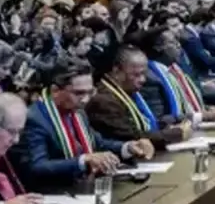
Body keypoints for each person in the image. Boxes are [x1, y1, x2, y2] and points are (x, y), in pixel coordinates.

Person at [12, 57, 154, 191]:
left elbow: (97, 143)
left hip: (82, 188)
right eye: (79, 93)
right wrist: (83, 160)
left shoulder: (78, 112)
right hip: (54, 192)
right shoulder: (34, 119)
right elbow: (37, 167)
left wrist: (128, 147)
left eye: (90, 92)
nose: (86, 99)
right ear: (55, 91)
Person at [88, 46, 190, 151]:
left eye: (144, 74)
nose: (143, 80)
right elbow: (130, 136)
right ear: (117, 71)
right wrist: (171, 134)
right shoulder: (104, 100)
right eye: (136, 75)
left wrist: (170, 125)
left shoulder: (126, 90)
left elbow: (146, 124)